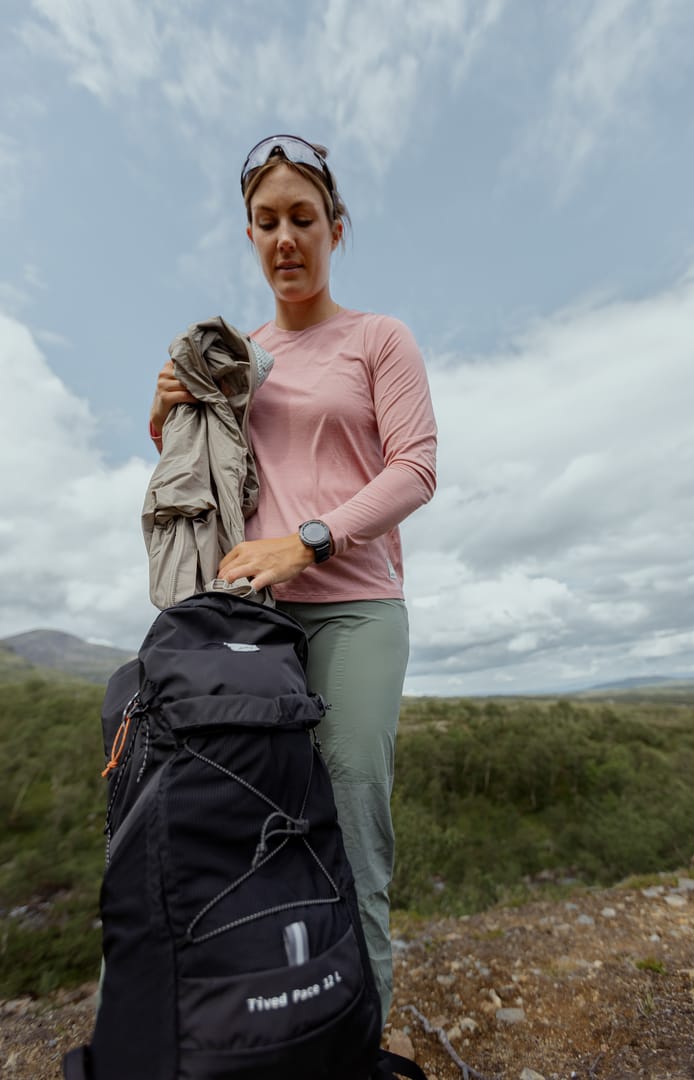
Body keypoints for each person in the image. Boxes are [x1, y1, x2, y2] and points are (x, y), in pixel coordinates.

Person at [149, 134, 437, 1022]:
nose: (286, 237)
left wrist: (306, 542)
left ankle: (364, 1038)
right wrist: (165, 419)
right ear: (250, 235)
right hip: (253, 624)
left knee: (352, 830)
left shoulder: (378, 338)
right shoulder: (238, 355)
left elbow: (415, 468)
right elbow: (218, 475)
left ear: (335, 230)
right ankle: (285, 1031)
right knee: (257, 832)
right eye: (267, 222)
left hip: (354, 612)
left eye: (303, 219)